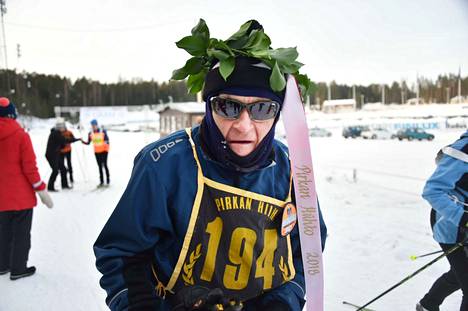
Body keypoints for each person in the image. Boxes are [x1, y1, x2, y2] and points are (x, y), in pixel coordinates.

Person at [94, 20, 327, 311]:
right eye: (228, 106)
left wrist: (280, 304)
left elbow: (306, 253)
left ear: (278, 113)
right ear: (209, 106)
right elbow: (122, 253)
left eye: (261, 109)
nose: (244, 125)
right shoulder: (164, 165)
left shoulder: (292, 171)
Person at [0, 97, 53, 281]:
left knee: (3, 232)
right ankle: (18, 268)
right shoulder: (21, 136)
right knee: (21, 234)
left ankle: (3, 265)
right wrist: (42, 191)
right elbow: (29, 168)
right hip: (21, 198)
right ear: (12, 115)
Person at [417, 130, 468, 311]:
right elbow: (432, 191)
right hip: (451, 226)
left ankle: (427, 305)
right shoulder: (463, 150)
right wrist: (463, 219)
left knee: (459, 274)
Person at [45, 118, 79, 191]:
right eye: (61, 126)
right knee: (55, 170)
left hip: (56, 154)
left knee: (63, 169)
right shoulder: (55, 133)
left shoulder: (58, 133)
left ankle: (64, 185)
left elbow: (61, 143)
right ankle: (50, 187)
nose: (63, 128)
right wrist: (74, 140)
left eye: (63, 126)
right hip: (51, 155)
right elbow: (64, 140)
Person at [82, 119, 110, 187]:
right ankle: (101, 181)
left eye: (94, 125)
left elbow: (107, 140)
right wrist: (82, 141)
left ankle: (108, 179)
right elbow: (88, 142)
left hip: (104, 151)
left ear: (97, 125)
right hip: (97, 152)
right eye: (92, 125)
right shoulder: (90, 133)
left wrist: (105, 145)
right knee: (99, 166)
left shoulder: (102, 131)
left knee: (104, 165)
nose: (93, 126)